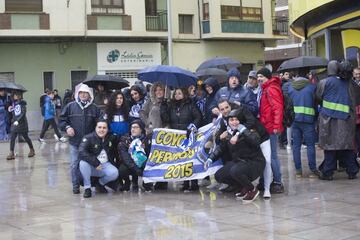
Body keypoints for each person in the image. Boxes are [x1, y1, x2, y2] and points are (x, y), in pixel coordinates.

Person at [204, 110, 265, 204]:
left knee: (235, 171)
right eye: (231, 120)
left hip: (254, 162)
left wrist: (243, 131)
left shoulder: (249, 130)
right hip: (240, 162)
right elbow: (221, 148)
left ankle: (252, 189)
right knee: (219, 175)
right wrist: (210, 158)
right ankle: (243, 187)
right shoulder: (228, 133)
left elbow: (256, 142)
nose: (234, 122)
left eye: (237, 120)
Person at [215, 99, 272, 199]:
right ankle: (243, 186)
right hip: (247, 149)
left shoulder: (241, 111)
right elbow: (220, 136)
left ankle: (267, 189)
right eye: (222, 109)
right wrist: (220, 137)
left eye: (226, 107)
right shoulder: (224, 120)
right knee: (228, 170)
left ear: (230, 105)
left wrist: (237, 133)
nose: (225, 110)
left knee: (267, 161)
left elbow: (251, 122)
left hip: (260, 138)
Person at [317, 60, 359, 180]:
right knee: (347, 146)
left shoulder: (323, 82)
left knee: (330, 147)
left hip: (328, 120)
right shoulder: (349, 83)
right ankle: (352, 171)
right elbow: (355, 99)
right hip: (346, 120)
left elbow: (318, 98)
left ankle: (328, 172)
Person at [60, 83, 101, 194]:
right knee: (74, 164)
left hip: (90, 144)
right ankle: (75, 185)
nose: (83, 95)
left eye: (85, 93)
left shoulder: (95, 108)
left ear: (89, 95)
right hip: (75, 142)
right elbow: (62, 121)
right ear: (78, 94)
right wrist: (67, 127)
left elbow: (100, 123)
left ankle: (91, 185)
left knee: (90, 163)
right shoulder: (70, 106)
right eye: (81, 92)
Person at [161, 88, 202, 191]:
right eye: (175, 93)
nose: (177, 95)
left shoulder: (190, 105)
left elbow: (198, 117)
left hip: (189, 136)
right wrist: (163, 107)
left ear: (184, 94)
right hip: (177, 138)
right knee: (182, 160)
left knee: (191, 160)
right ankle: (185, 182)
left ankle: (194, 182)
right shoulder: (171, 106)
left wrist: (192, 127)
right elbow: (166, 119)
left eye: (179, 93)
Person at [257, 67, 285, 194]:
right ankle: (265, 181)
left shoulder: (271, 89)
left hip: (270, 128)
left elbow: (277, 108)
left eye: (261, 76)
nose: (259, 79)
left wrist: (276, 126)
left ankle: (278, 182)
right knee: (266, 156)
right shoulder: (266, 89)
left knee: (272, 156)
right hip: (266, 127)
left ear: (267, 77)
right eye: (258, 77)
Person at [287, 74, 320, 178]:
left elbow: (288, 104)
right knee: (310, 145)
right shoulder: (312, 87)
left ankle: (298, 171)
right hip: (308, 121)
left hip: (295, 121)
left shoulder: (290, 88)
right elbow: (316, 104)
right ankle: (312, 170)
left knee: (296, 146)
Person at [139, 82, 169, 190]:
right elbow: (142, 113)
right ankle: (148, 181)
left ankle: (162, 182)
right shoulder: (150, 102)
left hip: (165, 135)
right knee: (151, 157)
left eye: (160, 90)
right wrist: (148, 123)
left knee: (162, 158)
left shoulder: (168, 102)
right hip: (152, 134)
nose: (158, 92)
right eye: (156, 90)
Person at [78, 120, 119, 198]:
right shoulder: (88, 137)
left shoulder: (111, 137)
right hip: (92, 165)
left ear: (107, 129)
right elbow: (81, 152)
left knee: (114, 173)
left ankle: (100, 184)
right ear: (95, 128)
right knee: (82, 163)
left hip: (105, 165)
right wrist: (95, 163)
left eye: (104, 128)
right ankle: (87, 188)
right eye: (99, 127)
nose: (102, 130)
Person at [118, 119, 152, 192]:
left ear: (141, 129)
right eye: (132, 127)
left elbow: (150, 156)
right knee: (122, 169)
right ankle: (127, 183)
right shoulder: (124, 140)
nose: (133, 129)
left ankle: (146, 183)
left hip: (143, 164)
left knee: (149, 165)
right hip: (130, 164)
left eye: (136, 127)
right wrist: (137, 170)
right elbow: (126, 158)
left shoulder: (147, 140)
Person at [6, 91, 35, 160]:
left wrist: (17, 121)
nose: (16, 96)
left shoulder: (22, 103)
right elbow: (14, 113)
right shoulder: (13, 103)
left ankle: (32, 150)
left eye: (18, 95)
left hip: (22, 124)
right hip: (14, 123)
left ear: (20, 96)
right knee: (12, 138)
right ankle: (11, 153)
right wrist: (10, 109)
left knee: (26, 137)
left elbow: (23, 113)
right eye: (15, 95)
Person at [351, 67, 360, 161]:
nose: (358, 76)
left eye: (359, 74)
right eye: (356, 74)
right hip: (354, 112)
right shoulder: (351, 84)